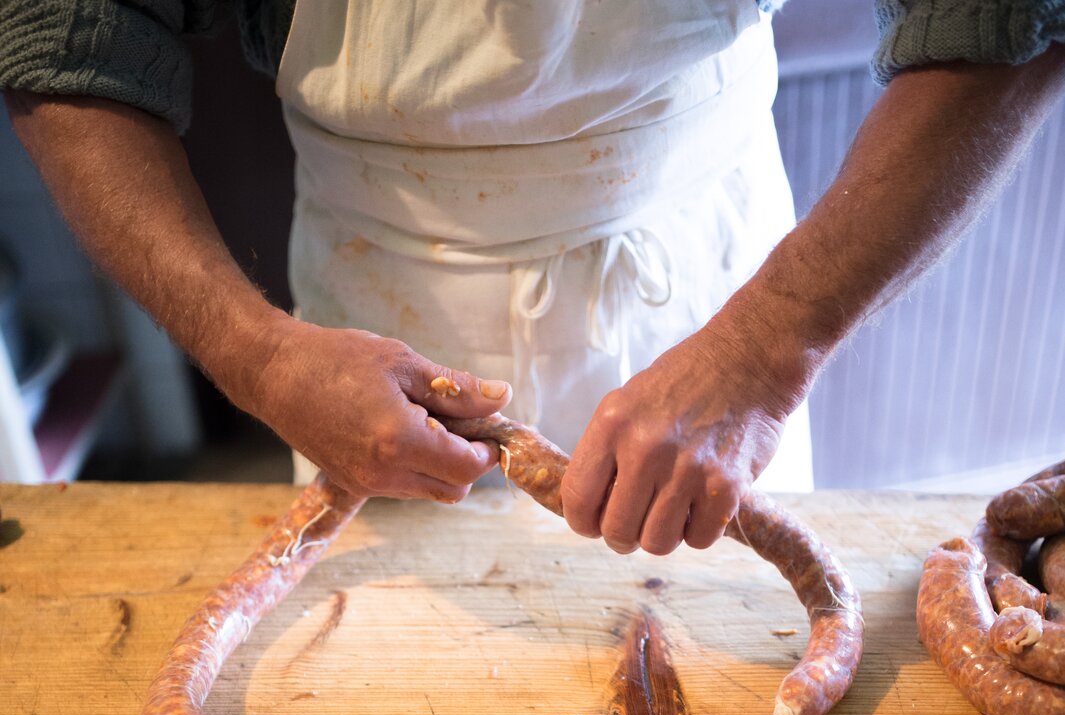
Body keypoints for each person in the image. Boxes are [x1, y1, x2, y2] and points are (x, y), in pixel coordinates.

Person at [2, 2, 1064, 559]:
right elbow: (66, 41)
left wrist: (771, 340)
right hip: (372, 305)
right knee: (388, 685)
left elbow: (1013, 17)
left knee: (739, 675)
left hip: (705, 280)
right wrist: (256, 353)